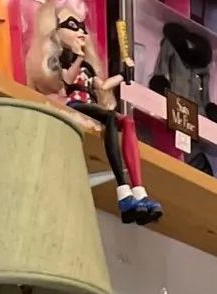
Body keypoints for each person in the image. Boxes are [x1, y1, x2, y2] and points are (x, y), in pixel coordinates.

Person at [50, 2, 161, 224]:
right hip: (74, 104)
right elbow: (67, 80)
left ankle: (138, 191)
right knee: (110, 117)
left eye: (82, 26)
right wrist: (80, 56)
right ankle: (123, 190)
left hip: (92, 107)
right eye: (73, 26)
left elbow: (102, 86)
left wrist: (124, 74)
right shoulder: (61, 58)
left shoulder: (88, 66)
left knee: (127, 121)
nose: (81, 32)